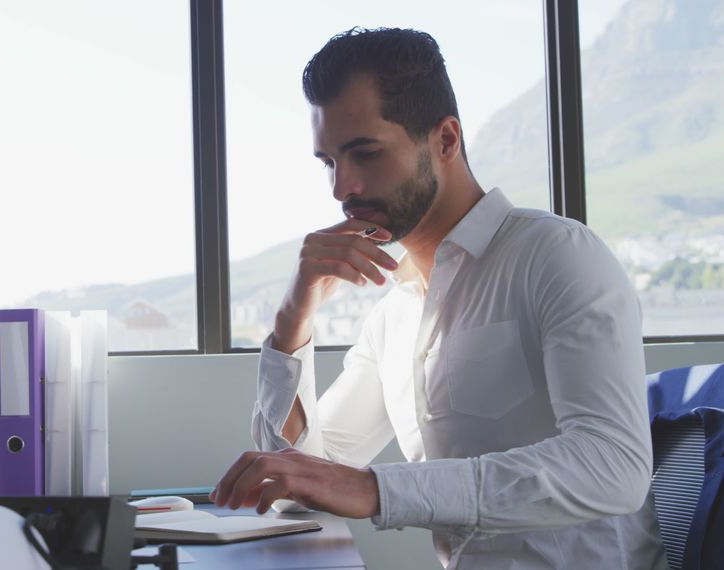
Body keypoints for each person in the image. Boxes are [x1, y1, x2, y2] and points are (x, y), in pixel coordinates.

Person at [210, 27, 666, 568]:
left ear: (445, 140)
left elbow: (613, 468)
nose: (341, 188)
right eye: (329, 162)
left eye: (365, 153)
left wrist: (378, 490)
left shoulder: (557, 255)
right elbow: (301, 477)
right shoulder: (395, 314)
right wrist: (293, 319)